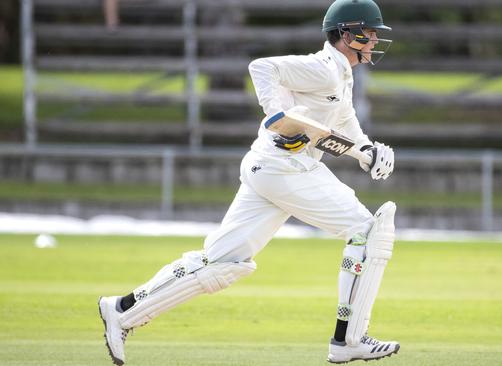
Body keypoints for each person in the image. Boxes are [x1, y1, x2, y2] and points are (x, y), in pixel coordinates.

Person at [98, 0, 398, 364]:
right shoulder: (323, 69)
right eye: (368, 35)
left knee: (222, 263)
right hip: (284, 168)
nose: (373, 42)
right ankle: (348, 339)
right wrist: (276, 114)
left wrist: (367, 152)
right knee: (367, 231)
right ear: (347, 34)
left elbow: (343, 121)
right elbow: (262, 67)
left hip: (270, 168)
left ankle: (123, 310)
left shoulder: (341, 76)